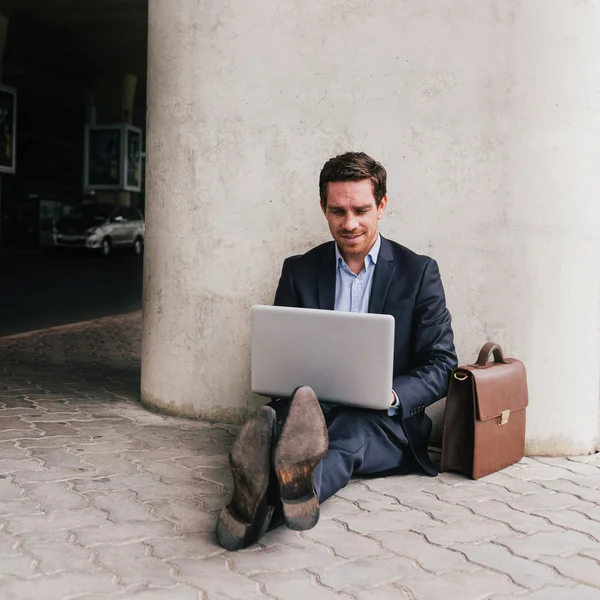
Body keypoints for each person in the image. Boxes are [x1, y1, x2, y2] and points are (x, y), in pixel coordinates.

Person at [215, 151, 457, 550]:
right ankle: (267, 475)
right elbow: (283, 349)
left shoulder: (419, 272)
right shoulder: (299, 269)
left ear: (382, 205)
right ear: (323, 208)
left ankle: (262, 510)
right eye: (337, 211)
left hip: (383, 421)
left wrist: (391, 395)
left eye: (361, 210)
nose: (349, 223)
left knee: (346, 435)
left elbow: (442, 362)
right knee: (275, 421)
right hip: (310, 406)